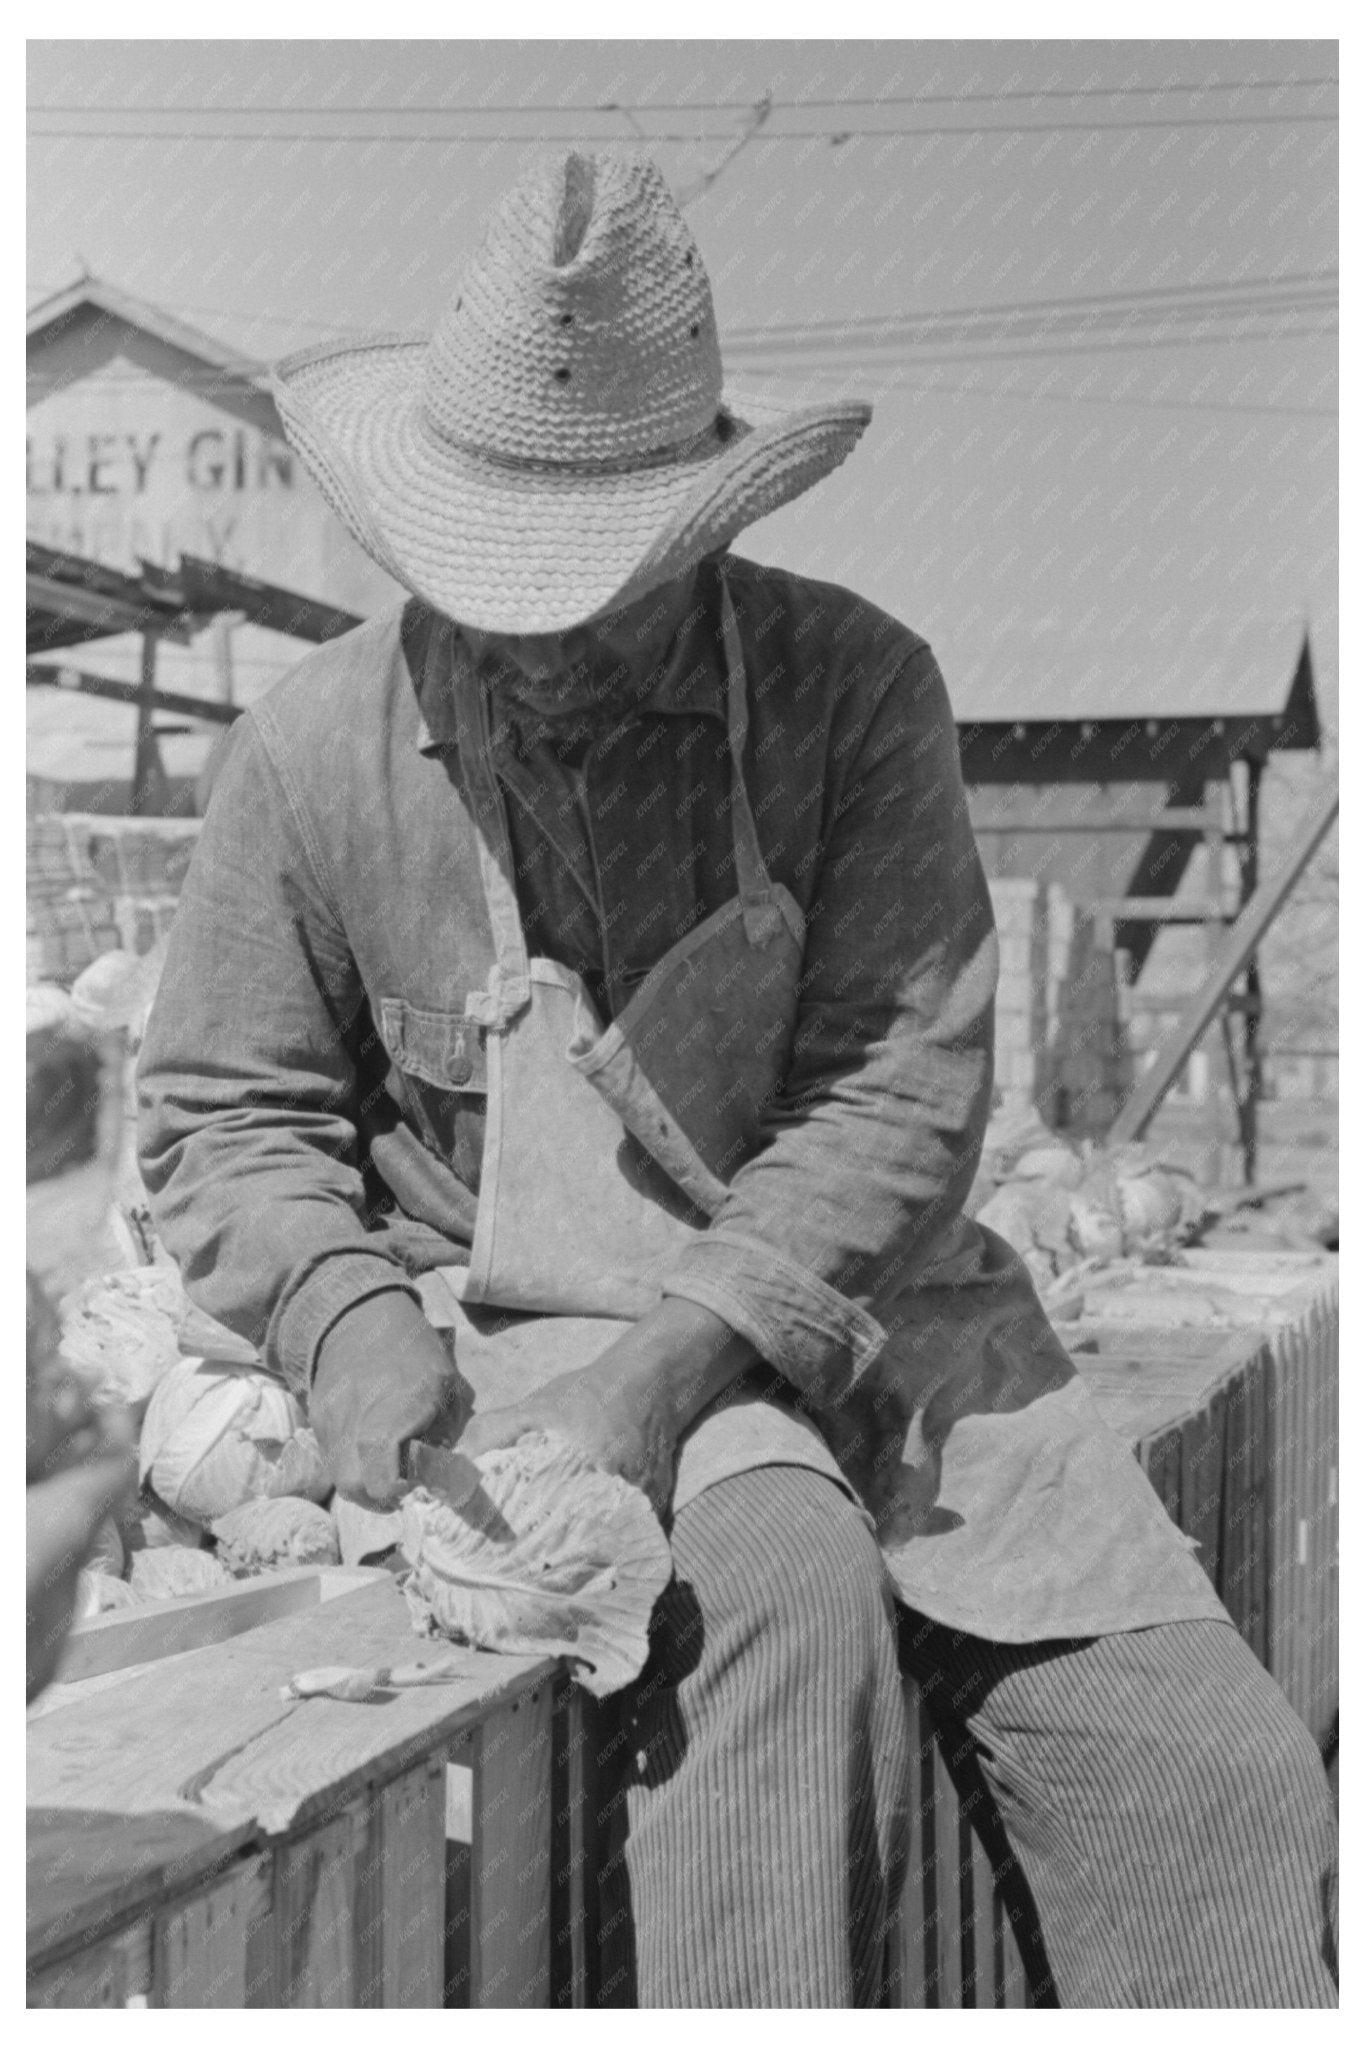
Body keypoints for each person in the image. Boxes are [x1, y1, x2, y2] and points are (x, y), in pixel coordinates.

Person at [139, 150, 1336, 2007]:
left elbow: (898, 1100)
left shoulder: (856, 692)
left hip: (903, 1334)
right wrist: (342, 1311)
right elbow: (228, 1113)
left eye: (592, 595)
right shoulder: (310, 756)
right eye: (492, 588)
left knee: (1218, 1779)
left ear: (703, 527)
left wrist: (677, 1363)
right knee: (770, 1599)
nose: (536, 647)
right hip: (525, 1339)